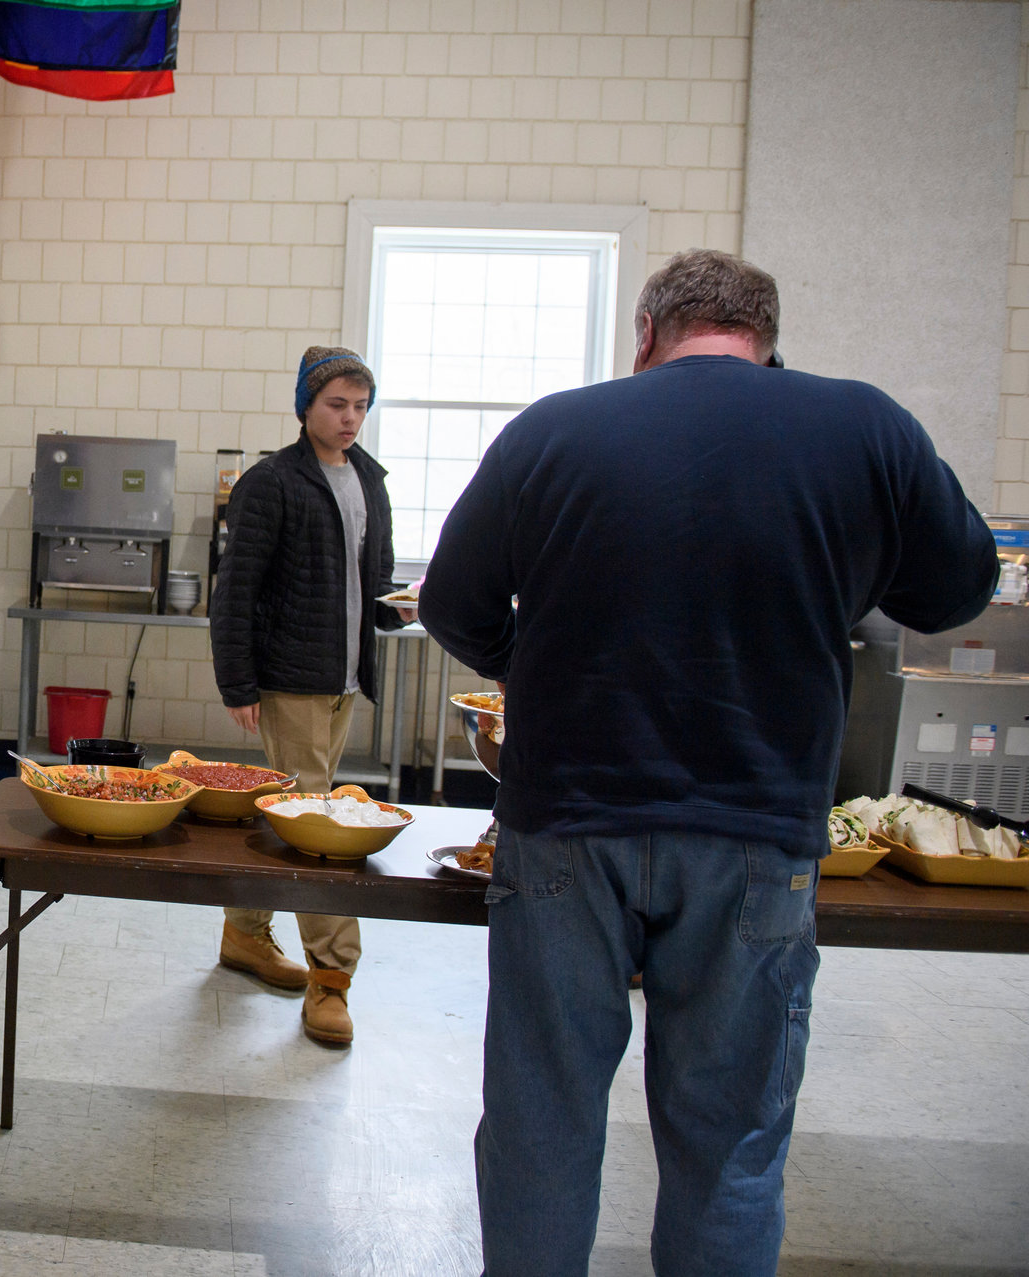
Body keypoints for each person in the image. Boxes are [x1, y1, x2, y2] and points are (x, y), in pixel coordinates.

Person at [418, 250, 997, 1276]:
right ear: (767, 343)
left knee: (539, 1126)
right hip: (753, 829)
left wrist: (541, 673)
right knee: (727, 1147)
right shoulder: (862, 425)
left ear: (644, 333)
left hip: (565, 828)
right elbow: (952, 593)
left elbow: (450, 604)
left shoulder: (554, 427)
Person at [209, 348, 408, 1045]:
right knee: (322, 831)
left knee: (287, 811)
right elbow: (235, 588)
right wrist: (237, 678)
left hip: (344, 677)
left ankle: (244, 933)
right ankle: (332, 978)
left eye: (360, 405)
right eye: (336, 404)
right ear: (306, 407)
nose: (350, 418)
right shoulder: (270, 483)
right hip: (292, 676)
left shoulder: (369, 481)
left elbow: (370, 580)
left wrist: (395, 611)